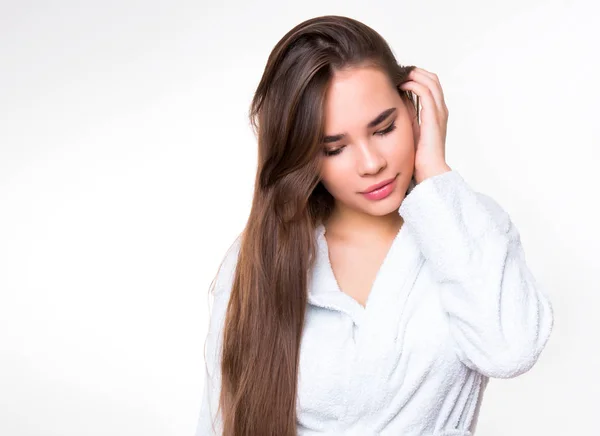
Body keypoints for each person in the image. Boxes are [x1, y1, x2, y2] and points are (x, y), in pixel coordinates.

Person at [195, 15, 554, 436]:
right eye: (334, 148)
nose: (372, 164)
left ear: (414, 107)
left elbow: (511, 350)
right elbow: (219, 422)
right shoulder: (257, 257)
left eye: (384, 128)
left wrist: (435, 173)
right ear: (303, 156)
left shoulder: (465, 227)